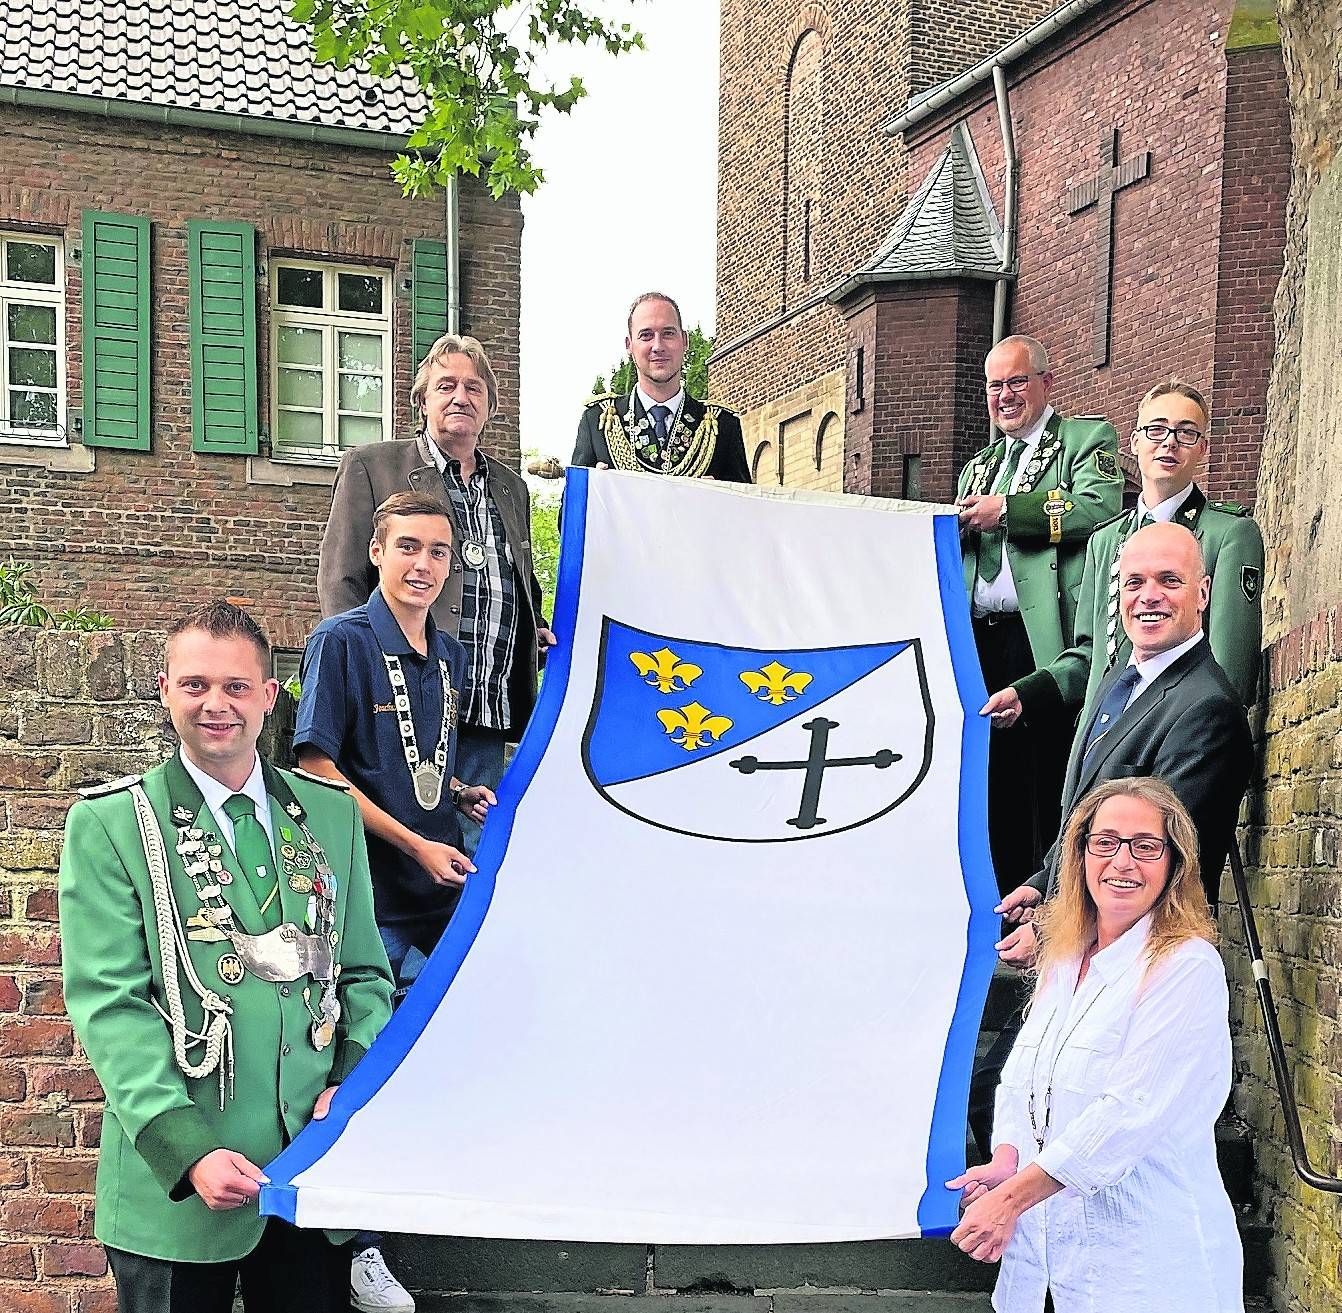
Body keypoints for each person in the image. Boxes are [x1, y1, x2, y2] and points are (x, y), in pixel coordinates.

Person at [59, 601, 394, 1313]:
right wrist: (187, 1148)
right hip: (176, 1191)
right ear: (164, 690)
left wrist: (351, 1082)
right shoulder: (113, 823)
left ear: (270, 696)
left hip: (308, 1176)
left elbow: (365, 975)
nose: (217, 704)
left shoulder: (330, 813)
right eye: (196, 684)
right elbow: (110, 1005)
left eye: (237, 686)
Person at [300, 491, 498, 1311]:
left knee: (430, 1048)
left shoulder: (448, 654)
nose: (423, 564)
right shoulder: (341, 643)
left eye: (439, 552)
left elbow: (415, 764)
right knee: (359, 1057)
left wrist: (458, 796)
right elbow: (318, 769)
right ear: (376, 552)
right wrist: (414, 840)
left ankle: (402, 1201)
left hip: (433, 887)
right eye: (407, 547)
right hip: (365, 893)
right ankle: (358, 1246)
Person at [948, 777, 1243, 1312]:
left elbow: (1128, 1115)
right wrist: (1006, 1159)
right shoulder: (1063, 956)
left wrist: (1009, 1202)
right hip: (1044, 1263)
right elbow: (1019, 1080)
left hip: (1143, 1268)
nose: (1122, 862)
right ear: (1080, 855)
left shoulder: (1186, 966)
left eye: (1145, 847)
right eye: (1104, 842)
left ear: (1175, 864)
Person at [317, 334, 555, 855]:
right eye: (445, 385)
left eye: (474, 388)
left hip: (489, 703)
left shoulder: (511, 487)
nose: (460, 397)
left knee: (470, 852)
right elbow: (341, 580)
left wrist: (528, 627)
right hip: (404, 702)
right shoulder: (373, 466)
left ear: (490, 406)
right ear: (421, 400)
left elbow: (517, 578)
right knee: (398, 851)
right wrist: (357, 678)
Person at [983, 380, 1264, 741]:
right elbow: (1089, 655)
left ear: (1203, 449)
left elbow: (1230, 673)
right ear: (1134, 442)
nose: (1169, 442)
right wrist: (1027, 693)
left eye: (1186, 433)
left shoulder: (1228, 535)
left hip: (1172, 737)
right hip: (1099, 737)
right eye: (1157, 429)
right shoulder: (1105, 540)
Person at [957, 334, 1123, 892]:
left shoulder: (1083, 439)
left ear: (1046, 384)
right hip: (981, 638)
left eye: (1016, 382)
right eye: (995, 385)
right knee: (990, 777)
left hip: (1045, 638)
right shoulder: (977, 467)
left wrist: (1008, 511)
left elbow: (1098, 509)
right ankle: (1002, 908)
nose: (1004, 395)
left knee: (1046, 771)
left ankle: (1050, 902)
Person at [572, 291, 752, 481]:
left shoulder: (721, 425)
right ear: (629, 345)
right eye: (646, 335)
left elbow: (745, 507)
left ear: (685, 341)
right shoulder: (598, 422)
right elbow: (572, 507)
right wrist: (595, 493)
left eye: (668, 334)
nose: (658, 346)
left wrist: (716, 499)